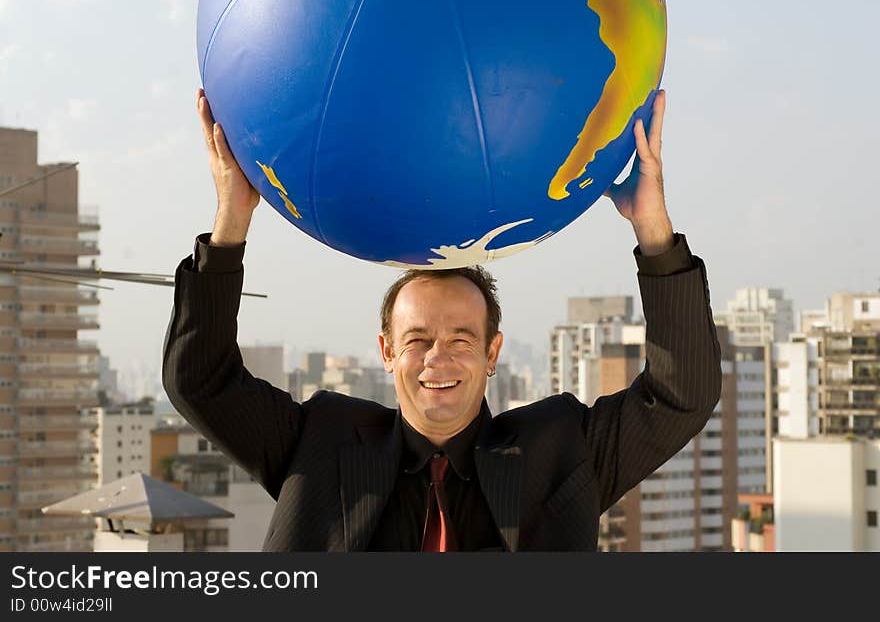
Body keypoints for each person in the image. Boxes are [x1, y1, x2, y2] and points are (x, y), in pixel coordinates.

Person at [163, 87, 721, 551]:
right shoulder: (319, 443)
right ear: (386, 351)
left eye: (461, 337)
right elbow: (200, 381)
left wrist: (653, 230)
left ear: (492, 352)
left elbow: (682, 395)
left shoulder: (560, 451)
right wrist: (230, 219)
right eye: (418, 338)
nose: (439, 357)